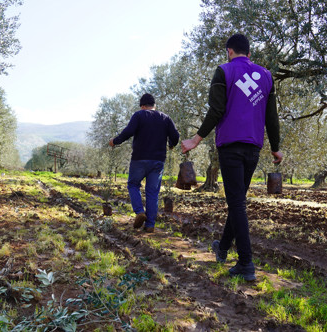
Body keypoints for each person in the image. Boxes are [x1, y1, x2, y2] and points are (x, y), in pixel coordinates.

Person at [181, 34, 283, 281]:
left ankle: (246, 263)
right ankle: (223, 248)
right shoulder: (266, 76)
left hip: (230, 146)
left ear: (229, 51)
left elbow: (216, 110)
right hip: (253, 148)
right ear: (249, 53)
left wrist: (195, 139)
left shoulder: (224, 72)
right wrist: (275, 147)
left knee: (237, 203)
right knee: (237, 200)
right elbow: (271, 116)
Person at [110, 93, 180, 233]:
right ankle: (150, 225)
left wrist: (115, 141)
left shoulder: (139, 115)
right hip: (158, 161)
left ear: (142, 106)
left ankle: (139, 211)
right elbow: (175, 136)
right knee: (152, 192)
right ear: (154, 105)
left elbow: (128, 132)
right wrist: (171, 144)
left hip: (139, 159)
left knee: (133, 184)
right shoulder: (165, 118)